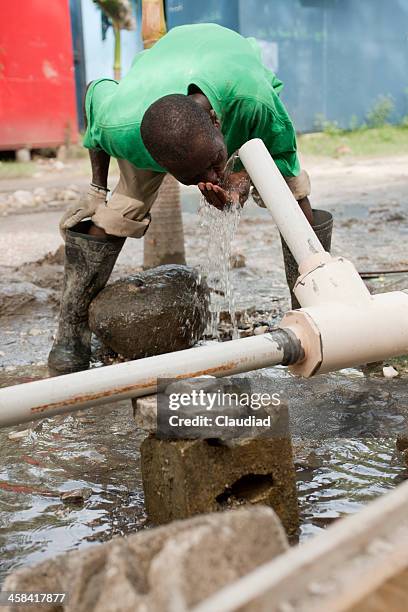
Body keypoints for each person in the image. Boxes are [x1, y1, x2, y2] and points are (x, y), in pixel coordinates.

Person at [48, 23, 332, 375]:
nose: (213, 179)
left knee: (292, 194)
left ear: (216, 123)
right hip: (153, 95)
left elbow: (282, 160)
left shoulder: (254, 102)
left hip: (229, 68)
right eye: (195, 177)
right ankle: (69, 337)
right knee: (118, 211)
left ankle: (320, 314)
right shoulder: (120, 126)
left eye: (215, 165)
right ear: (163, 167)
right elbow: (95, 92)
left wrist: (241, 179)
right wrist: (97, 190)